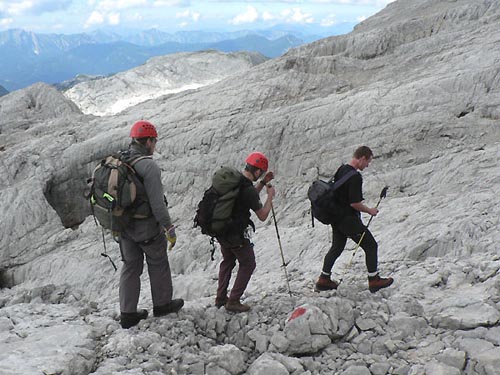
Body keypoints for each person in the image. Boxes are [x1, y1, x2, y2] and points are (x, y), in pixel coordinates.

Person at [118, 120, 184, 329]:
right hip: (146, 227)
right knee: (158, 263)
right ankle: (163, 304)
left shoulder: (121, 160)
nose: (155, 146)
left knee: (130, 267)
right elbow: (157, 204)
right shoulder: (148, 166)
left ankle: (128, 314)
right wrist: (169, 228)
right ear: (147, 141)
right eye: (154, 141)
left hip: (124, 227)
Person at [315, 146, 394, 293]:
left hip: (336, 217)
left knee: (337, 247)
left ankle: (323, 279)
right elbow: (354, 203)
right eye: (368, 162)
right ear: (362, 158)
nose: (367, 165)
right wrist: (370, 210)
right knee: (371, 246)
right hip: (347, 219)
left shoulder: (342, 169)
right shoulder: (355, 177)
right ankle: (374, 280)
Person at [215, 152, 276, 313]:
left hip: (221, 229)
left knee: (227, 261)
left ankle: (221, 298)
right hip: (236, 233)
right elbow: (262, 215)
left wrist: (262, 183)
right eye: (260, 173)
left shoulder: (236, 181)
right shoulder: (247, 189)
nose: (260, 175)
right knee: (248, 263)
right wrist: (270, 197)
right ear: (257, 171)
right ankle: (234, 300)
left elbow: (248, 196)